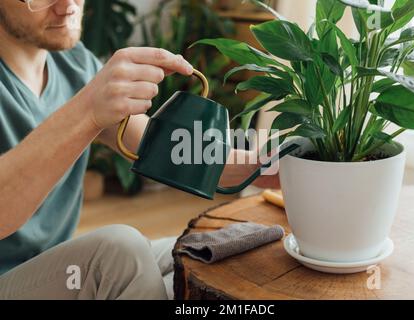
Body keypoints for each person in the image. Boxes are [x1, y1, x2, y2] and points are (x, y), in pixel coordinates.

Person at [0, 0, 280, 300]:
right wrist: (87, 109)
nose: (68, 5)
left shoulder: (75, 63)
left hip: (57, 270)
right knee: (121, 251)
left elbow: (161, 148)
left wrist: (262, 166)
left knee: (205, 255)